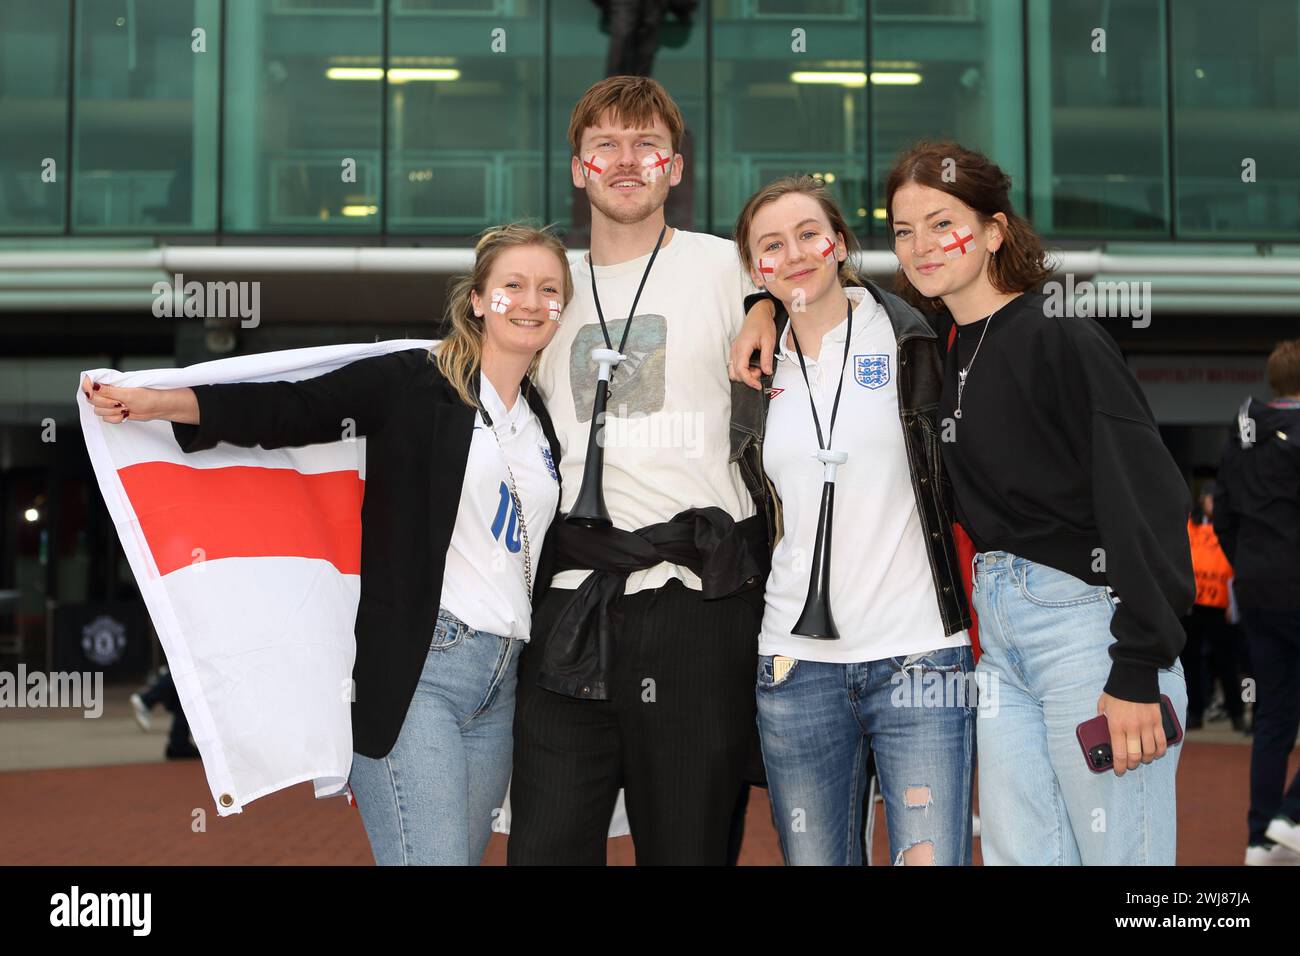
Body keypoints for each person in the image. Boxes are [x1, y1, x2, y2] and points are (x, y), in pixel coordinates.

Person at [733, 141, 1193, 865]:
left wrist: (1138, 664)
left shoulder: (1061, 330)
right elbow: (808, 291)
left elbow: (1148, 495)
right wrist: (763, 302)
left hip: (1087, 626)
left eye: (941, 223)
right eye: (905, 230)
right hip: (999, 640)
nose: (920, 245)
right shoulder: (935, 346)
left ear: (994, 229)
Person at [82, 223, 569, 866]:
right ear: (477, 299)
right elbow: (295, 408)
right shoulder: (415, 382)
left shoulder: (541, 423)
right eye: (512, 285)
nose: (531, 302)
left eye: (548, 290)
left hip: (502, 683)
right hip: (420, 676)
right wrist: (163, 402)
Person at [506, 75, 771, 865]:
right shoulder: (543, 290)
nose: (627, 161)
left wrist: (770, 303)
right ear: (578, 167)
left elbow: (833, 306)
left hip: (698, 603)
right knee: (545, 848)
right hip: (570, 603)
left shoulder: (731, 270)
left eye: (646, 145)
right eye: (606, 146)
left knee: (688, 847)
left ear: (676, 168)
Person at [730, 174, 975, 865]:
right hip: (794, 668)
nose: (796, 253)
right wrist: (758, 311)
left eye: (810, 234)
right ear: (755, 270)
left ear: (838, 243)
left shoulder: (917, 337)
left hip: (922, 656)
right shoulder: (748, 367)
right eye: (771, 246)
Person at [1213, 338, 1300, 866]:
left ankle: (1259, 839)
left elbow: (1223, 514)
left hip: (1259, 590)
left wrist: (1247, 564)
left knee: (1273, 717)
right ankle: (1291, 816)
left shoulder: (1240, 435)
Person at [1181, 485, 1245, 732]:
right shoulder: (1190, 525)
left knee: (1227, 662)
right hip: (1193, 605)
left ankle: (1237, 712)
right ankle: (1195, 712)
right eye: (1210, 500)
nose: (1214, 505)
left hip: (1220, 605)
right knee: (1191, 661)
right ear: (1202, 501)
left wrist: (1233, 604)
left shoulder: (1229, 527)